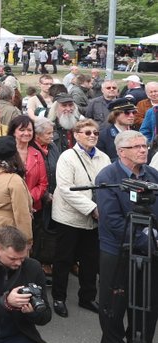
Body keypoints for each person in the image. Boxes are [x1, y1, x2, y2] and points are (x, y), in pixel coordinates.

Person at [95, 129, 158, 343]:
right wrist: (145, 240)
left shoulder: (152, 174)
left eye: (145, 146)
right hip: (118, 249)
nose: (143, 150)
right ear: (121, 152)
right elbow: (112, 220)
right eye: (137, 147)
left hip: (151, 248)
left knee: (149, 300)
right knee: (115, 301)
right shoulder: (107, 176)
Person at [50, 119, 108, 319]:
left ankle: (87, 297)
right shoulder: (67, 157)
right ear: (76, 135)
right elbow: (66, 189)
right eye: (87, 132)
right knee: (64, 259)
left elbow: (106, 186)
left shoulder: (104, 158)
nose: (92, 136)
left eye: (95, 133)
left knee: (90, 260)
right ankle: (59, 297)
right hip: (69, 217)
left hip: (93, 219)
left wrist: (102, 208)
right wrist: (92, 208)